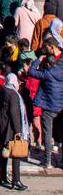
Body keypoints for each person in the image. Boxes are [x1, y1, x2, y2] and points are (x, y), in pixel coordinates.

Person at [27, 42, 63, 173]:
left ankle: (48, 161)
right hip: (60, 106)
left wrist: (38, 60)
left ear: (47, 64)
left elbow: (31, 72)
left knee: (48, 134)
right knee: (61, 134)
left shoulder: (46, 74)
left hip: (48, 106)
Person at [0, 71, 29, 192]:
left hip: (3, 126)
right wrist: (18, 131)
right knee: (16, 154)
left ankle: (2, 177)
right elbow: (14, 113)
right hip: (11, 128)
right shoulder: (13, 94)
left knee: (4, 152)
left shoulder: (3, 90)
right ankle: (16, 180)